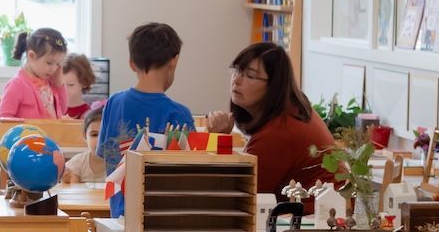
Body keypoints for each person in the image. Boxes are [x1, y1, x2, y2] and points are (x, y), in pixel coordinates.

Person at [204, 42, 333, 197]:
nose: (237, 80)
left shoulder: (277, 134)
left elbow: (234, 196)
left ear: (273, 86)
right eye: (237, 70)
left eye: (250, 75)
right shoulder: (293, 108)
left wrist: (220, 141)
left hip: (315, 215)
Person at [94, 22, 195, 173]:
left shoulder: (114, 103)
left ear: (132, 63)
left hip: (118, 196)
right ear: (174, 61)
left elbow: (103, 155)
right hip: (161, 197)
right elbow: (191, 170)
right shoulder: (180, 114)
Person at [0, 27, 70, 121]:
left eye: (58, 64)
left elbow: (62, 111)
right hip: (28, 135)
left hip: (49, 135)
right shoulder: (17, 84)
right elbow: (2, 121)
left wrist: (59, 85)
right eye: (49, 63)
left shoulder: (50, 81)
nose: (54, 69)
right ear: (31, 56)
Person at [62, 111, 105, 186]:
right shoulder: (78, 162)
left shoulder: (119, 165)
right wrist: (66, 180)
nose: (99, 140)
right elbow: (74, 191)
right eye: (94, 135)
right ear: (85, 136)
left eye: (104, 135)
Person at [60, 53, 100, 120]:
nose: (65, 89)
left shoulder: (88, 115)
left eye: (70, 84)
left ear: (84, 83)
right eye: (62, 85)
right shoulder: (54, 109)